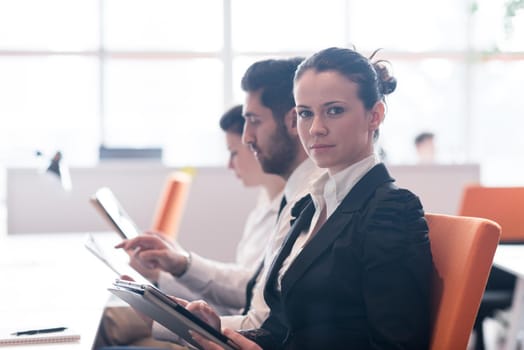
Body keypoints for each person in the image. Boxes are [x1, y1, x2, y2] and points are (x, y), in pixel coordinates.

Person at [188, 47, 434, 350]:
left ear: (375, 115)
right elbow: (284, 326)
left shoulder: (391, 210)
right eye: (305, 113)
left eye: (334, 110)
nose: (316, 128)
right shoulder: (310, 205)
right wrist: (220, 333)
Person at [117, 57, 324, 341]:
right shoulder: (293, 198)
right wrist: (180, 269)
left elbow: (263, 321)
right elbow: (254, 291)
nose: (248, 138)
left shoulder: (314, 203)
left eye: (253, 121)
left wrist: (178, 319)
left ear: (292, 120)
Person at [95, 105, 284, 348]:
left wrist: (168, 274)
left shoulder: (287, 215)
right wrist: (171, 268)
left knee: (107, 324)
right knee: (108, 320)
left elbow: (240, 295)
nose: (229, 165)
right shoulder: (264, 205)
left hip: (222, 328)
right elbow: (236, 288)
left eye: (234, 152)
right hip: (216, 320)